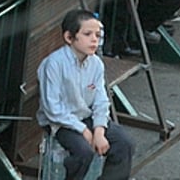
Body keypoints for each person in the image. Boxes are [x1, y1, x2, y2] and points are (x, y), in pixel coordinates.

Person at [36, 10, 134, 180]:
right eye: (87, 34)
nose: (94, 40)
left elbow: (101, 100)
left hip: (86, 116)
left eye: (97, 35)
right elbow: (52, 109)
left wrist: (99, 130)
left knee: (124, 144)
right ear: (69, 37)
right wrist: (83, 130)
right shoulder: (53, 64)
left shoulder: (96, 64)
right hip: (60, 122)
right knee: (83, 153)